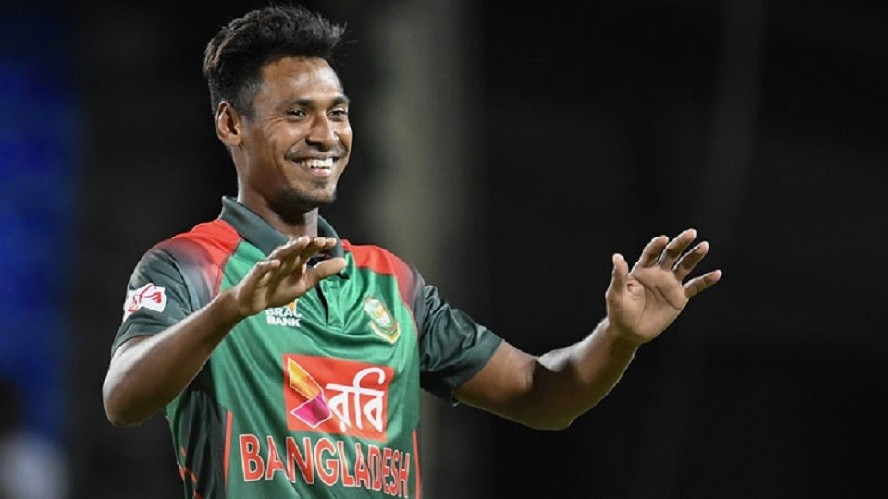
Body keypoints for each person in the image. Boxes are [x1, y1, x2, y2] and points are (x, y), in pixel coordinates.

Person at [101, 4, 722, 498]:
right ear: (232, 124)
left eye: (337, 112)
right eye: (296, 113)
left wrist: (617, 338)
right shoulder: (189, 265)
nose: (326, 134)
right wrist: (231, 309)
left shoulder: (391, 283)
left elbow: (540, 394)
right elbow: (123, 398)